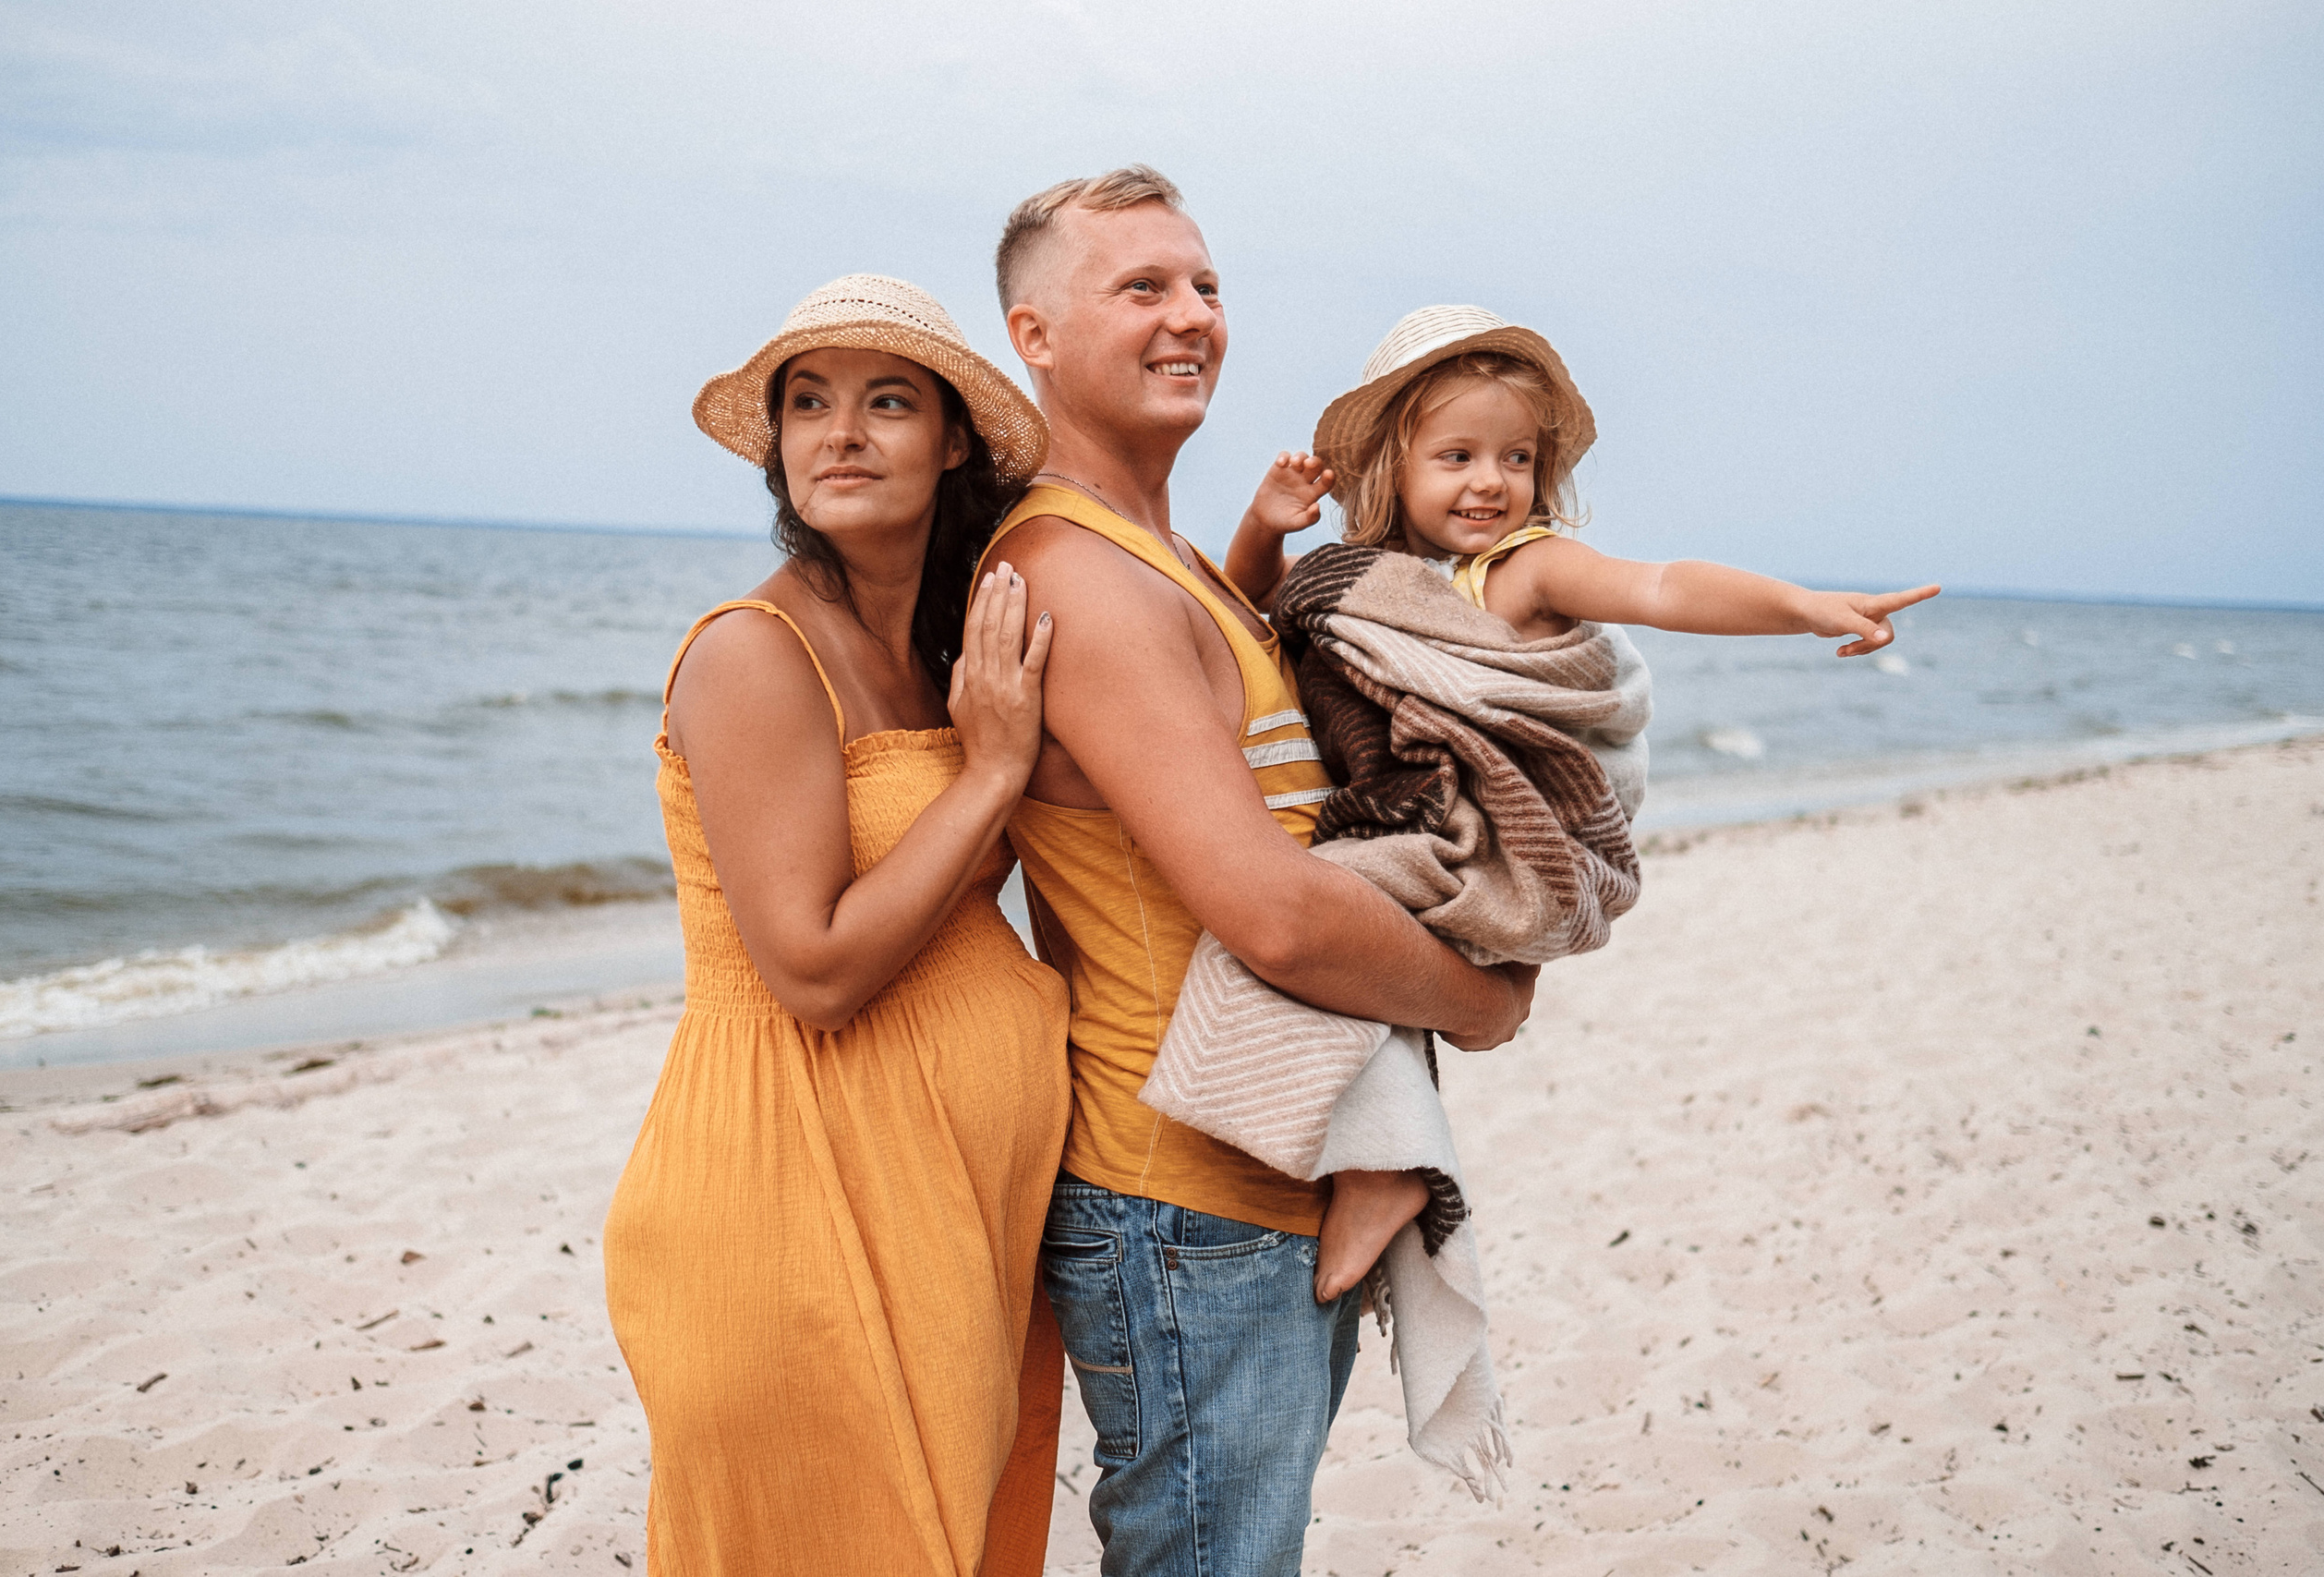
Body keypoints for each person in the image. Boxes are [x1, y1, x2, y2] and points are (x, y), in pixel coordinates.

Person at [979, 167, 1537, 1575]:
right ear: (1033, 336)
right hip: (1187, 1197)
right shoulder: (1078, 573)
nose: (1192, 318)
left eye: (1207, 285)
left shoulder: (1163, 554)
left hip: (1255, 1173)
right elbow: (1275, 910)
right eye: (1142, 287)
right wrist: (1483, 1001)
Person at [1222, 304, 1941, 1296]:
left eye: (1514, 458)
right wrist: (1263, 526)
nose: (1489, 482)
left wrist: (1804, 608)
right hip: (1402, 808)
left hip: (1479, 834)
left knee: (1312, 917)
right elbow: (1256, 606)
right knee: (1319, 938)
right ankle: (1369, 1157)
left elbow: (1662, 588)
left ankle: (1387, 1170)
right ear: (1393, 464)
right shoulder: (1361, 577)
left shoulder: (1520, 568)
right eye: (1457, 455)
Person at [601, 274, 1071, 1577]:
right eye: (807, 404)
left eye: (885, 402)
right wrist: (986, 774)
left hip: (941, 1208)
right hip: (786, 1209)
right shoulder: (753, 653)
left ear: (955, 438)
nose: (839, 433)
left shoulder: (935, 648)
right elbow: (811, 969)